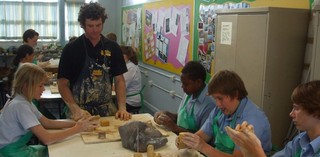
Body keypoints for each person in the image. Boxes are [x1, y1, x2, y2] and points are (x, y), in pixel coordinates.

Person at [0, 63, 98, 157]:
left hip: (18, 149)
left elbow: (47, 123)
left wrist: (78, 123)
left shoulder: (24, 100)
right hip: (10, 153)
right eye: (40, 86)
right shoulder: (20, 106)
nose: (43, 89)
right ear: (26, 85)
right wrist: (77, 129)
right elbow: (47, 139)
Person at [57, 2, 131, 121]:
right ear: (82, 25)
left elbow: (119, 80)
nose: (95, 30)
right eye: (90, 26)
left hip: (107, 109)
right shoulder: (71, 49)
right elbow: (62, 84)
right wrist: (75, 109)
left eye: (98, 25)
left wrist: (122, 107)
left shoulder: (113, 47)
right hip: (80, 111)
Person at [178, 70, 272, 157]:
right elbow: (202, 136)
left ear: (235, 94)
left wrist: (203, 147)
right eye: (215, 99)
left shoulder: (253, 120)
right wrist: (185, 141)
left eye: (220, 98)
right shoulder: (219, 111)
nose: (218, 104)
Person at [225, 80, 320, 157]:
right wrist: (247, 148)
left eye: (297, 108)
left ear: (316, 111)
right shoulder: (299, 141)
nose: (291, 114)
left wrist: (256, 148)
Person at [154, 61, 216, 134]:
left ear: (198, 83)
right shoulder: (190, 92)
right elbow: (183, 119)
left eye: (186, 84)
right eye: (182, 83)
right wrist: (167, 114)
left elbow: (201, 138)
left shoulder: (210, 105)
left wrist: (174, 127)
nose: (182, 87)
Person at [120, 46, 142, 114]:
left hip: (131, 101)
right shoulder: (128, 65)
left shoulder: (130, 68)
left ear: (126, 56)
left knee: (110, 108)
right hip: (129, 98)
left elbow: (121, 87)